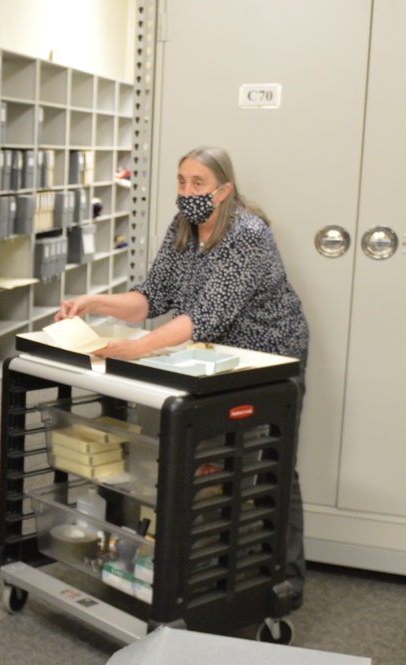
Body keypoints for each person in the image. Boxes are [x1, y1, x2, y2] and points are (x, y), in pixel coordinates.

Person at [55, 145, 309, 607]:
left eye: (198, 184)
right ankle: (206, 573)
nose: (187, 192)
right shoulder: (183, 227)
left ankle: (283, 584)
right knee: (210, 459)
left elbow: (202, 316)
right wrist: (94, 301)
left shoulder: (247, 234)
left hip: (270, 358)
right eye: (181, 182)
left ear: (224, 190)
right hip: (216, 359)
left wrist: (135, 349)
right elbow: (150, 297)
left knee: (271, 462)